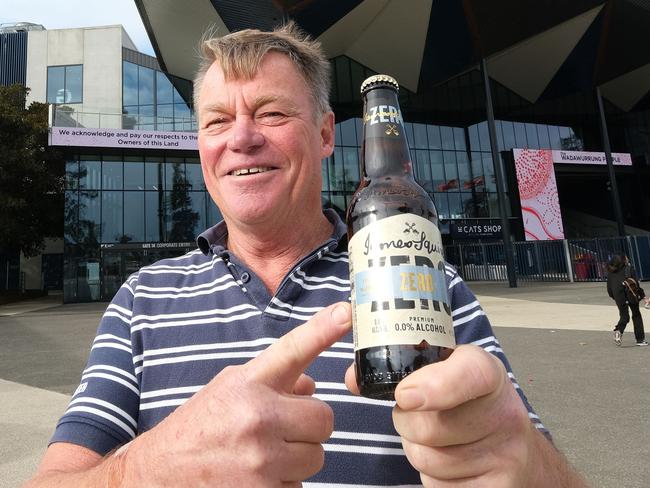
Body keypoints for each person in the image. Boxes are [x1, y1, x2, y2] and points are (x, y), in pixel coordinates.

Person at [25, 23, 588, 487]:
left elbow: (524, 454)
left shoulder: (427, 279)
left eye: (271, 113)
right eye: (217, 121)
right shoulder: (141, 301)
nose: (241, 138)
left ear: (324, 135)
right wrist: (148, 470)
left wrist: (529, 465)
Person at [607, 254, 648, 346]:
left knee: (624, 316)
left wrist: (614, 297)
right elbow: (635, 284)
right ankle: (640, 340)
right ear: (623, 260)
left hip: (619, 297)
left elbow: (609, 289)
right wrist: (643, 296)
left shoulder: (611, 272)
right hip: (630, 294)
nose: (627, 258)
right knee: (636, 315)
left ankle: (618, 330)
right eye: (625, 257)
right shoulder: (628, 268)